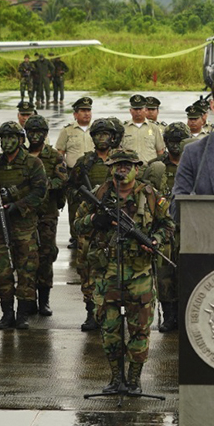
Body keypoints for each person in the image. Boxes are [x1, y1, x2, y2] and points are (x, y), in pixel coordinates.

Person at [73, 149, 175, 395]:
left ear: (137, 169)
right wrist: (94, 220)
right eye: (118, 164)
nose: (122, 168)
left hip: (139, 273)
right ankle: (115, 379)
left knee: (139, 329)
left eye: (128, 164)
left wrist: (155, 240)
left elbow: (168, 225)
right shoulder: (99, 194)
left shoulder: (151, 196)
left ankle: (134, 380)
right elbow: (77, 224)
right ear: (110, 168)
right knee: (109, 330)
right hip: (107, 272)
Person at [0, 121, 48, 330]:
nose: (6, 142)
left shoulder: (32, 164)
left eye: (11, 137)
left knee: (27, 271)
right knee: (2, 271)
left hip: (24, 226)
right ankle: (7, 312)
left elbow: (40, 193)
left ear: (21, 140)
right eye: (3, 138)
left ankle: (22, 313)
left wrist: (17, 206)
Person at [67, 118, 120, 331]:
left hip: (114, 222)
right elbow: (71, 188)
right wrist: (86, 201)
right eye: (98, 134)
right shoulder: (84, 163)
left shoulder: (120, 160)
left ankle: (113, 312)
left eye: (106, 134)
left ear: (113, 137)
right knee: (87, 268)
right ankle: (91, 312)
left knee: (115, 269)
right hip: (91, 224)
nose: (102, 139)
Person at [143, 122, 189, 332]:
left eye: (179, 141)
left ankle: (186, 314)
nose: (175, 146)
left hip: (189, 228)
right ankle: (169, 316)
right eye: (171, 141)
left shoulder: (194, 165)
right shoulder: (155, 166)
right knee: (164, 274)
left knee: (188, 271)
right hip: (164, 229)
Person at [26, 115, 67, 317]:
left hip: (47, 215)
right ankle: (28, 299)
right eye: (31, 133)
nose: (35, 136)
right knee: (26, 257)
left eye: (39, 133)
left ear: (45, 135)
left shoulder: (54, 157)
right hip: (24, 216)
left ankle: (44, 300)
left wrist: (41, 186)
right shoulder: (20, 156)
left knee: (46, 255)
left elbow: (62, 181)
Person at [122, 94, 165, 160]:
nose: (138, 112)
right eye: (135, 109)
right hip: (130, 167)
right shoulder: (123, 128)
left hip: (149, 166)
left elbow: (160, 151)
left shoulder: (154, 128)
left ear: (145, 110)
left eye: (140, 109)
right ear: (130, 111)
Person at [56, 97, 94, 168]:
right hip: (73, 172)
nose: (86, 114)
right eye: (83, 111)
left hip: (93, 172)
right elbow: (60, 153)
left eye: (88, 110)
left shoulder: (96, 129)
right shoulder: (67, 130)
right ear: (75, 114)